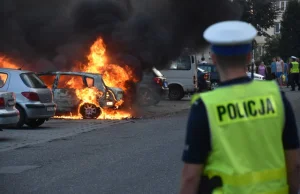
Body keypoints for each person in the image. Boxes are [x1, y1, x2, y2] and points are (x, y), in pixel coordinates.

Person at [179, 21, 300, 194]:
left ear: (213, 59)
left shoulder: (205, 106)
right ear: (249, 57)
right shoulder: (276, 96)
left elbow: (190, 177)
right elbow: (295, 164)